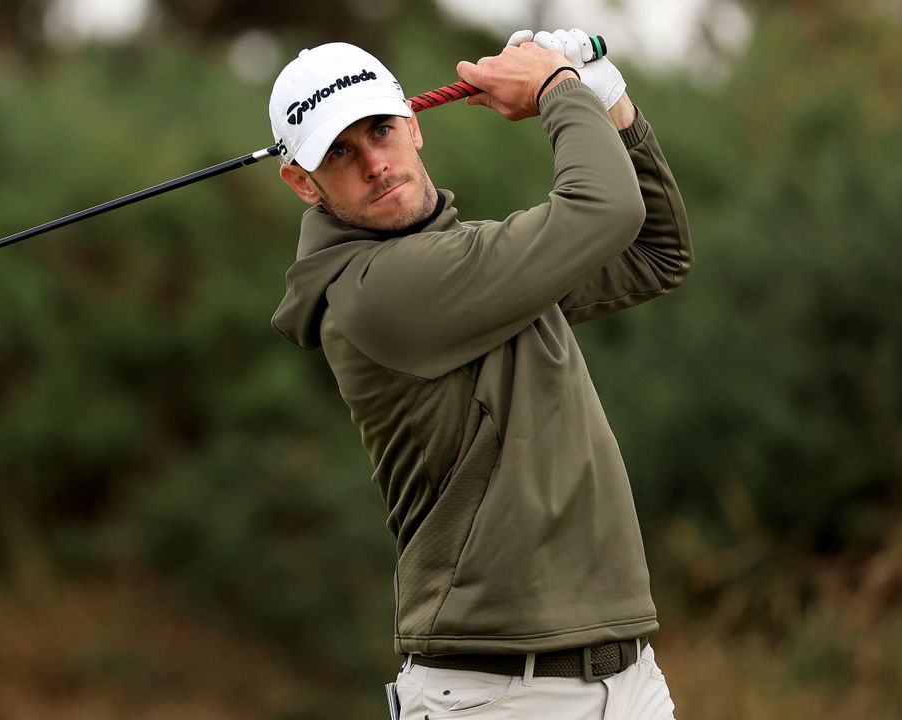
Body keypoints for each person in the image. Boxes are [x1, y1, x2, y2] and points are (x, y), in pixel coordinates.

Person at [268, 29, 691, 720]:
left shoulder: (467, 263)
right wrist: (557, 88)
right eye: (339, 153)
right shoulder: (377, 293)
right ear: (300, 181)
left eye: (380, 131)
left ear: (413, 126)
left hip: (628, 676)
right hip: (496, 695)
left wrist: (605, 92)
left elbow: (656, 250)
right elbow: (605, 207)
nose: (374, 163)